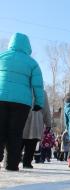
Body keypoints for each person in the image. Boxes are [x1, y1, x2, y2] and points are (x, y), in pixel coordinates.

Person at [0, 32, 44, 171]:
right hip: (21, 103)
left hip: (1, 97)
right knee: (15, 133)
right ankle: (12, 164)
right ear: (27, 46)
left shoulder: (2, 56)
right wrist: (39, 103)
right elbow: (38, 85)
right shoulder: (32, 63)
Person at [21, 91, 51, 168]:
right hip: (36, 121)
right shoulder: (42, 92)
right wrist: (48, 123)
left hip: (22, 118)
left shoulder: (23, 87)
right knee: (32, 143)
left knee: (19, 141)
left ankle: (13, 161)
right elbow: (46, 109)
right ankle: (27, 162)